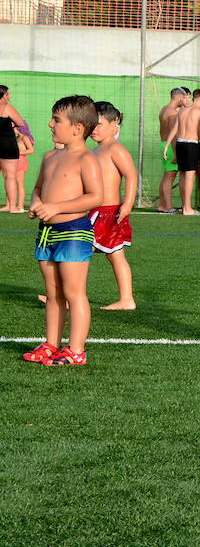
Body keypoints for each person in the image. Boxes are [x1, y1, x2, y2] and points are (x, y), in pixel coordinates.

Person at [23, 95, 101, 367]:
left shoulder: (87, 159)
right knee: (52, 292)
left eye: (56, 120)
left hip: (74, 232)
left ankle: (76, 350)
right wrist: (37, 203)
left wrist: (56, 207)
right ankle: (51, 344)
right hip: (46, 233)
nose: (50, 124)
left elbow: (95, 197)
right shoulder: (49, 157)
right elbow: (37, 188)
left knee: (73, 292)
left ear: (77, 129)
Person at [90, 102, 138, 310]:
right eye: (92, 124)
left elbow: (131, 176)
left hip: (109, 212)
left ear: (114, 124)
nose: (94, 129)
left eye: (99, 124)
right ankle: (127, 298)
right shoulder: (96, 149)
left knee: (78, 253)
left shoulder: (115, 149)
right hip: (95, 211)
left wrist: (127, 204)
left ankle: (64, 297)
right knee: (114, 255)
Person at [163, 88, 200, 216]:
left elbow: (174, 130)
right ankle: (187, 208)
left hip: (180, 143)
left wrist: (166, 146)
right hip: (191, 145)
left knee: (182, 176)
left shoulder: (181, 111)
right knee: (189, 176)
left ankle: (185, 206)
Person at [0, 85, 35, 213]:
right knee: (10, 176)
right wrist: (12, 122)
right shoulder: (7, 108)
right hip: (7, 144)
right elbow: (20, 123)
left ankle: (8, 205)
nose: (9, 96)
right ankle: (12, 206)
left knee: (7, 176)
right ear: (3, 96)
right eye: (8, 94)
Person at [157, 87, 190, 212]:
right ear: (180, 98)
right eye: (185, 98)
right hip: (170, 146)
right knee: (170, 177)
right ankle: (168, 206)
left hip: (164, 143)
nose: (185, 100)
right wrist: (176, 153)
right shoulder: (172, 113)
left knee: (167, 176)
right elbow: (174, 135)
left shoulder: (164, 109)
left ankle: (162, 205)